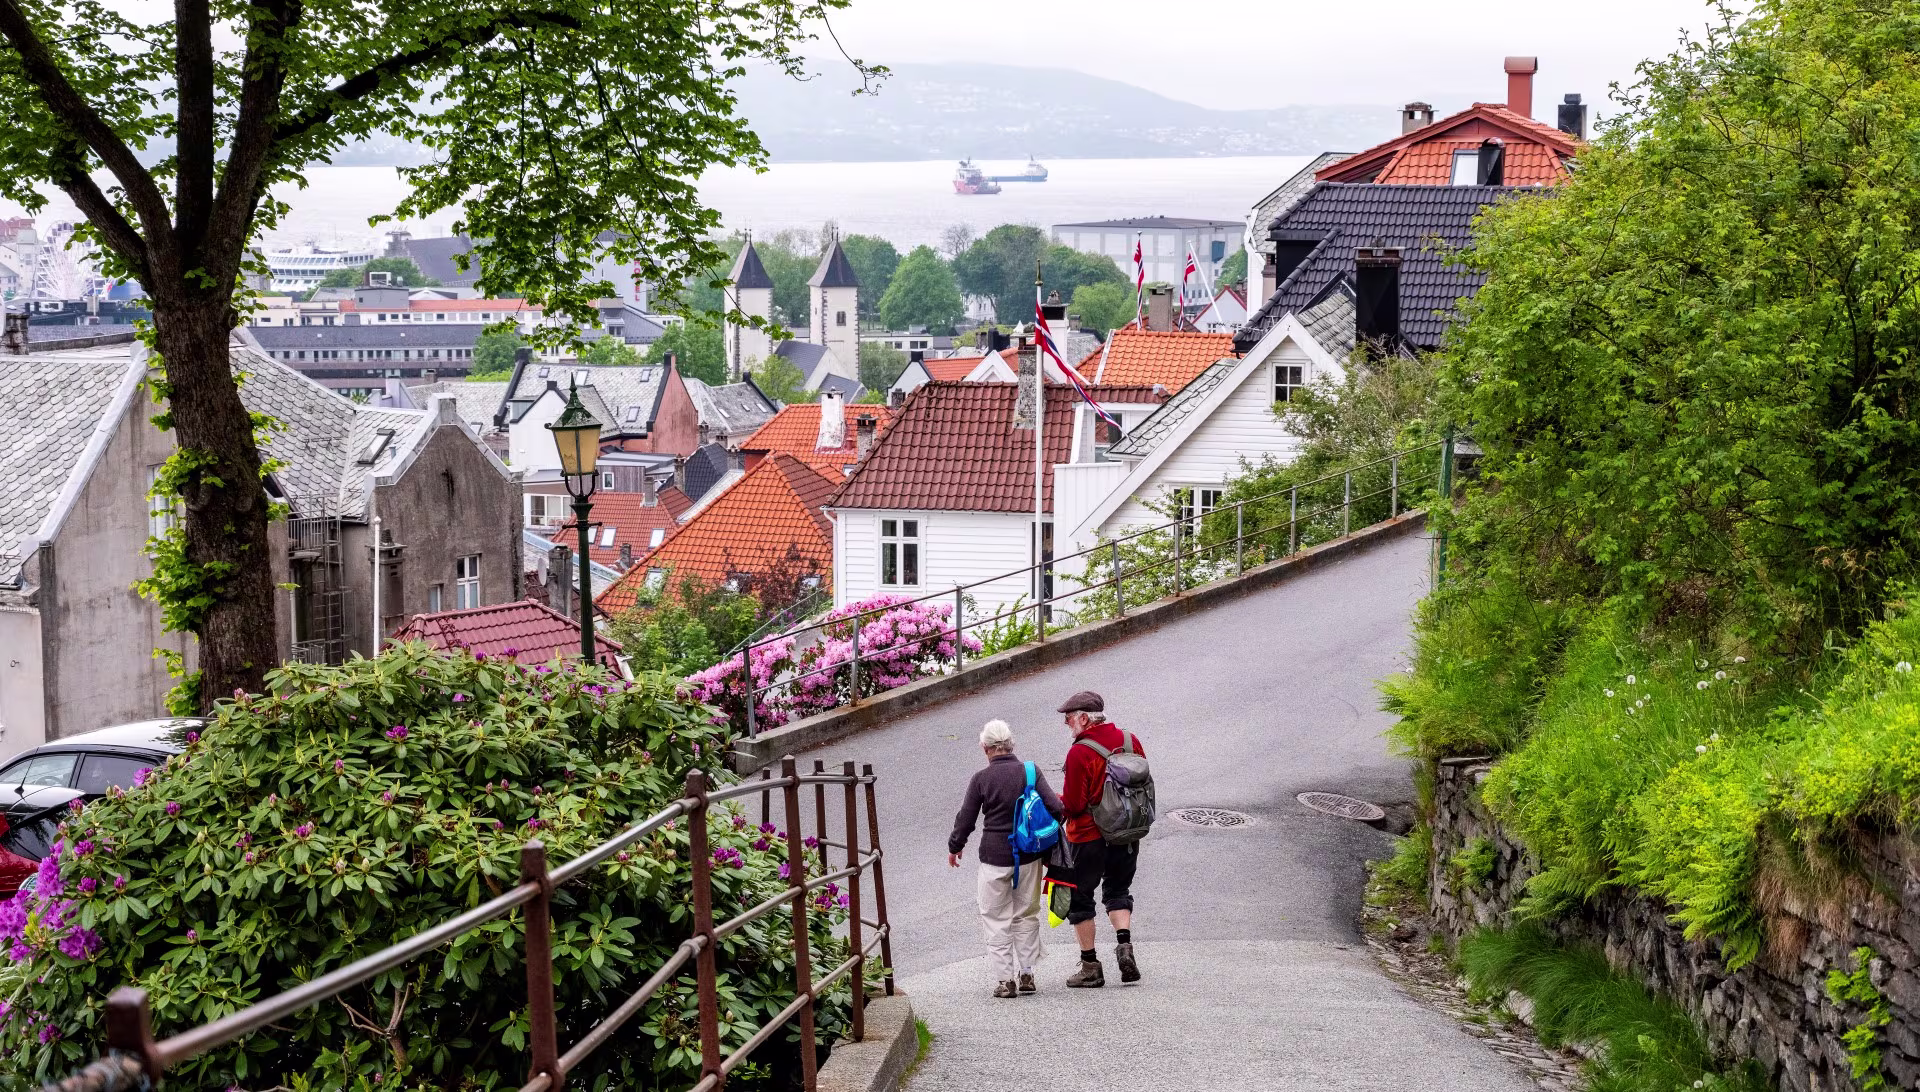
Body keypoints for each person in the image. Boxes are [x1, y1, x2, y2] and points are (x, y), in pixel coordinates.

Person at [948, 718, 1064, 998]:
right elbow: (1057, 809)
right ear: (1011, 744)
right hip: (1028, 857)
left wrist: (956, 845)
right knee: (1026, 913)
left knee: (995, 917)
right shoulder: (1030, 772)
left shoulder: (981, 779)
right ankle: (1027, 974)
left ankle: (1005, 981)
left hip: (993, 857)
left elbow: (966, 818)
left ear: (985, 748)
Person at [1057, 690, 1144, 988]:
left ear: (1084, 718)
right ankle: (1124, 946)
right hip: (1126, 833)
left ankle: (1090, 966)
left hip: (1088, 837)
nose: (1068, 725)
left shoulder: (1080, 752)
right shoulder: (1131, 741)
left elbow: (1074, 804)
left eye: (1069, 720)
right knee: (1118, 889)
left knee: (1080, 898)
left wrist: (1053, 803)